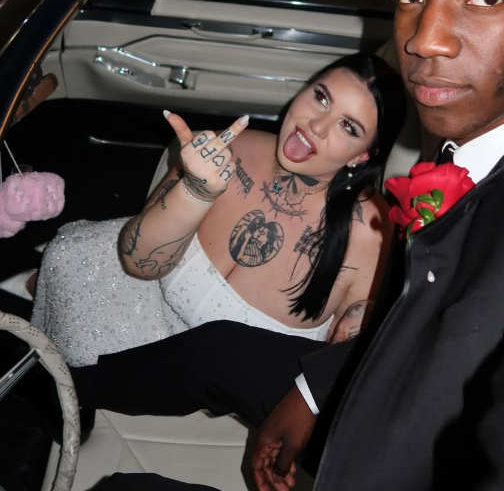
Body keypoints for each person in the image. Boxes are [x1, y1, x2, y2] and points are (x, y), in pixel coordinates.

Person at [71, 0, 504, 491]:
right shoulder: (480, 132)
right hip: (373, 396)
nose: (424, 39)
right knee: (193, 389)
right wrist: (313, 388)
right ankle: (64, 396)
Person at [31, 52, 405, 366]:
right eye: (321, 97)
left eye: (348, 127)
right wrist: (195, 191)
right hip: (125, 309)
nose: (316, 126)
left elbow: (347, 365)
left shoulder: (373, 231)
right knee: (64, 259)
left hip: (213, 390)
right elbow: (139, 262)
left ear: (362, 155)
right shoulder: (233, 149)